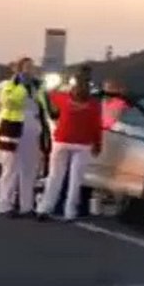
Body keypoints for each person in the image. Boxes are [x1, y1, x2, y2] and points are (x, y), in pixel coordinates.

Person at [36, 66, 102, 222]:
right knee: (75, 180)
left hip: (62, 140)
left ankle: (45, 207)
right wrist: (98, 144)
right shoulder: (94, 105)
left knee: (54, 177)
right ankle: (70, 211)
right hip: (83, 144)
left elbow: (48, 94)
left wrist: (59, 84)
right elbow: (96, 126)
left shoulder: (63, 98)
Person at [0, 57, 56, 217]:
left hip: (33, 126)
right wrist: (22, 87)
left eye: (32, 66)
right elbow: (8, 102)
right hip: (14, 127)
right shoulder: (11, 84)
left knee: (30, 169)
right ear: (20, 68)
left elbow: (45, 105)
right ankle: (5, 205)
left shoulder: (38, 86)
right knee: (11, 168)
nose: (30, 69)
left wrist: (52, 115)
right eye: (26, 67)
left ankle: (26, 206)